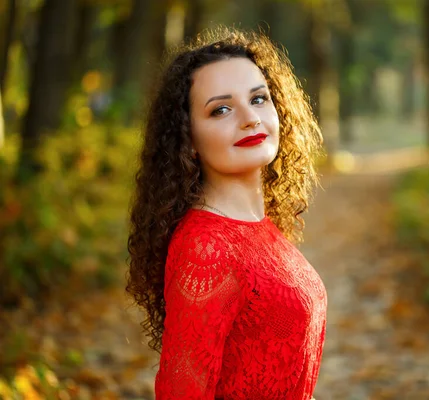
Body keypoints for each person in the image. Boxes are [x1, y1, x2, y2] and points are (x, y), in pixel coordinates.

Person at [126, 27, 327, 400]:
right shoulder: (205, 247)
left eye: (259, 99)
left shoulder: (262, 229)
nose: (250, 118)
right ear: (188, 138)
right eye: (221, 109)